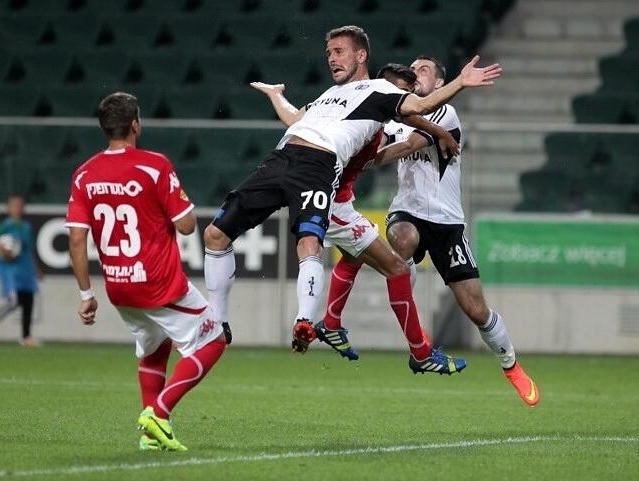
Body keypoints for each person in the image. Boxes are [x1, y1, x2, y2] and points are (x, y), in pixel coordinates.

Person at [203, 25, 501, 356]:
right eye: (328, 53)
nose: (331, 58)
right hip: (281, 157)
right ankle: (218, 324)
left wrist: (459, 83)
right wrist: (276, 95)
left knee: (313, 242)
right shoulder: (329, 95)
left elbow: (419, 107)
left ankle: (310, 321)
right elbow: (296, 119)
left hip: (318, 167)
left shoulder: (380, 91)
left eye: (339, 51)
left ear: (361, 55)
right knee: (215, 234)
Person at [250, 63, 467, 376]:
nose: (403, 102)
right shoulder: (371, 116)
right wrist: (438, 130)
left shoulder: (361, 110)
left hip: (332, 197)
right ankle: (421, 353)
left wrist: (275, 95)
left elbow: (295, 118)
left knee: (354, 253)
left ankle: (332, 322)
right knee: (396, 269)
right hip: (331, 202)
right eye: (399, 94)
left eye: (405, 95)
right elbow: (405, 139)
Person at [361, 55, 538, 406]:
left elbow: (411, 144)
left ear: (439, 84)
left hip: (448, 224)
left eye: (423, 69)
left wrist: (372, 159)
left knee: (476, 310)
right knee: (403, 240)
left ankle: (511, 365)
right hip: (407, 211)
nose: (415, 72)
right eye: (412, 69)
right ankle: (418, 341)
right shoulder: (397, 116)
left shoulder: (446, 114)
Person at [66, 92, 227, 451]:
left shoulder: (84, 174)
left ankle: (150, 438)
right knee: (214, 340)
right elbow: (186, 227)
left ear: (104, 128)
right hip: (159, 284)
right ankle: (158, 412)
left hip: (119, 289)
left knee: (155, 348)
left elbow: (78, 240)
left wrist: (85, 294)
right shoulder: (154, 166)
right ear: (136, 124)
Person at [0, 193, 41, 347]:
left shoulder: (27, 227)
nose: (17, 209)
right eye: (14, 206)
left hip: (26, 268)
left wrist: (37, 269)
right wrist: (2, 248)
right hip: (11, 269)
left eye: (20, 206)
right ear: (8, 208)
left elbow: (29, 250)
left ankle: (26, 337)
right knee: (14, 301)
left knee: (29, 301)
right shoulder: (7, 225)